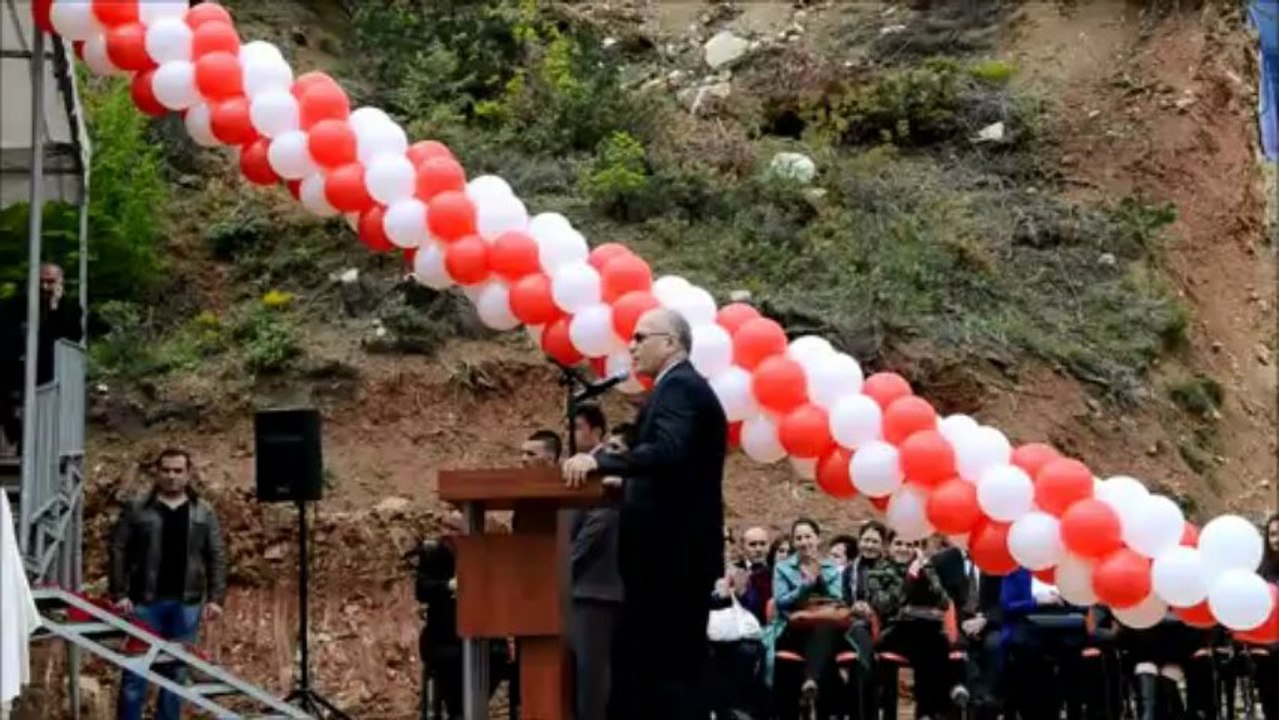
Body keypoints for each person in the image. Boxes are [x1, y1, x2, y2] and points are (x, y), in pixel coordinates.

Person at [562, 308, 728, 720]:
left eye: (640, 337)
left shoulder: (680, 388)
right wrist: (628, 483)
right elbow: (678, 466)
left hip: (671, 558)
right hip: (669, 556)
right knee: (658, 669)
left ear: (670, 343)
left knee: (667, 669)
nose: (631, 347)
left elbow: (669, 452)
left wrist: (604, 465)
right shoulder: (676, 388)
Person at [109, 448, 226, 720]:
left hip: (187, 604)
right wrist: (119, 592)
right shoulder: (138, 507)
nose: (172, 476)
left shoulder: (203, 511)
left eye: (178, 471)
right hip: (144, 603)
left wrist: (216, 598)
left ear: (188, 474)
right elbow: (118, 548)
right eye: (166, 470)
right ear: (157, 473)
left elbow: (216, 555)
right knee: (135, 675)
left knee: (176, 676)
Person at [414, 507, 511, 719]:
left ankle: (473, 707)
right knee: (455, 663)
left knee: (497, 655)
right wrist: (449, 586)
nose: (445, 533)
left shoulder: (484, 556)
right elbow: (421, 589)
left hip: (480, 639)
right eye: (444, 526)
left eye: (453, 529)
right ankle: (459, 710)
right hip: (444, 640)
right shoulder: (434, 553)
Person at [566, 405, 623, 720]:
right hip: (577, 586)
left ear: (596, 431)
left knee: (593, 677)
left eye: (578, 427)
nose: (573, 435)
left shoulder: (605, 464)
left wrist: (562, 564)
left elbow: (602, 517)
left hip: (596, 587)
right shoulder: (578, 467)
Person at [762, 518, 846, 718]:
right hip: (793, 625)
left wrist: (820, 578)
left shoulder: (830, 567)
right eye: (798, 538)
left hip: (825, 624)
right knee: (820, 646)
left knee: (823, 631)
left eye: (808, 536)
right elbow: (780, 602)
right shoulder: (783, 567)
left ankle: (811, 682)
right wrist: (805, 585)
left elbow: (837, 599)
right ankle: (813, 686)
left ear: (817, 539)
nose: (803, 542)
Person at [0, 262, 83, 452]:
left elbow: (71, 336)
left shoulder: (70, 308)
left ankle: (31, 443)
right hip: (15, 365)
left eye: (51, 282)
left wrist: (55, 308)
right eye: (41, 282)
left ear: (60, 283)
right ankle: (16, 433)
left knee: (45, 405)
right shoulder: (14, 305)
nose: (45, 287)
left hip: (49, 368)